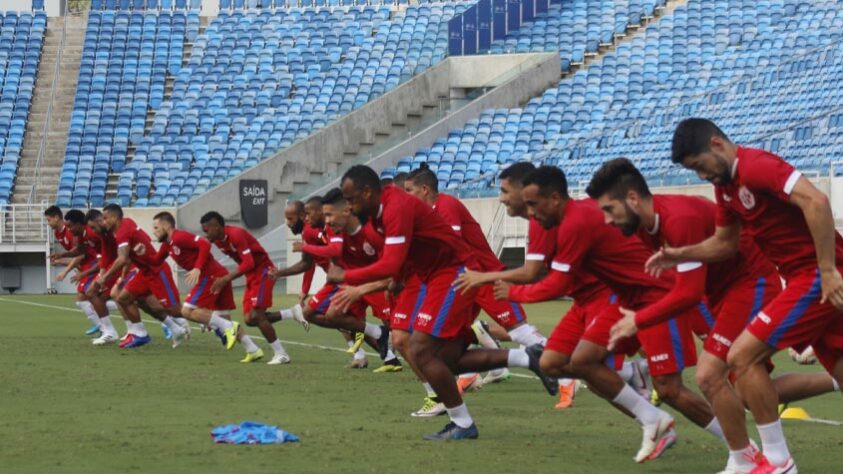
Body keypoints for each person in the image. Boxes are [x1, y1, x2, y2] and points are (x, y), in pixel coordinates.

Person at [652, 118, 843, 473]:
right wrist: (680, 254)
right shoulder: (726, 189)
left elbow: (815, 201)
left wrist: (828, 269)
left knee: (741, 357)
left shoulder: (756, 167)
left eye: (699, 167)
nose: (701, 177)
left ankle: (777, 462)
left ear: (717, 145)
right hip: (807, 278)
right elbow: (725, 243)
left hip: (816, 276)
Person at [498, 166, 713, 463]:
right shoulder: (560, 220)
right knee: (554, 362)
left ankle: (749, 452)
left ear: (554, 198)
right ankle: (647, 404)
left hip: (646, 296)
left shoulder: (574, 222)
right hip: (616, 298)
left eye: (507, 192)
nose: (502, 199)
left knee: (676, 387)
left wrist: (499, 286)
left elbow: (549, 280)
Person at [328, 165, 555, 441]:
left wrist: (350, 278)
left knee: (421, 350)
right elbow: (401, 256)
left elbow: (391, 261)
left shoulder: (396, 206)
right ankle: (526, 358)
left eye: (351, 200)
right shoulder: (377, 214)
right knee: (446, 360)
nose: (349, 206)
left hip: (455, 273)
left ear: (366, 192)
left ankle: (463, 423)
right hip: (435, 277)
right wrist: (395, 281)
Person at [454, 162, 652, 409]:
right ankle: (643, 401)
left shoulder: (547, 220)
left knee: (676, 382)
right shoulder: (544, 218)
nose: (501, 198)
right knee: (560, 362)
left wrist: (488, 279)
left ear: (525, 189)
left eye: (505, 191)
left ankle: (653, 413)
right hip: (589, 298)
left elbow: (536, 275)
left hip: (610, 295)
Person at [136, 212, 264, 362]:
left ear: (166, 226)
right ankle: (252, 349)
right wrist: (143, 254)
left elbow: (204, 244)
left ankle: (227, 326)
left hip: (211, 275)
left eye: (156, 227)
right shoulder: (167, 245)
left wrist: (197, 268)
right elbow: (156, 261)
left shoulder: (179, 237)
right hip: (216, 274)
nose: (154, 231)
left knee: (187, 310)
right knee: (221, 320)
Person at [200, 211, 291, 365]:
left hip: (264, 271)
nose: (205, 234)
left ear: (216, 227)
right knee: (249, 319)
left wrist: (226, 279)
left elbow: (249, 262)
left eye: (206, 230)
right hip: (251, 275)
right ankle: (291, 313)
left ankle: (281, 353)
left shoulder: (235, 235)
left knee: (256, 315)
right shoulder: (217, 240)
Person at [97, 204, 188, 349]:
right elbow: (139, 241)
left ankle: (211, 322)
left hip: (157, 271)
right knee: (123, 298)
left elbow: (122, 259)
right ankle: (141, 334)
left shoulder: (122, 233)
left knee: (173, 309)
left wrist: (105, 277)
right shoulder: (127, 222)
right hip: (144, 272)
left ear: (114, 218)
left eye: (106, 218)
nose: (103, 222)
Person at [44, 206, 102, 335]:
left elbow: (81, 254)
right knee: (87, 298)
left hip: (93, 263)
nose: (48, 223)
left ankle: (103, 327)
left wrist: (65, 272)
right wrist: (62, 259)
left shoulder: (72, 232)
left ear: (57, 217)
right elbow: (77, 254)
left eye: (48, 220)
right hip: (86, 265)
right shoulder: (58, 233)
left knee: (85, 297)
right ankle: (102, 326)